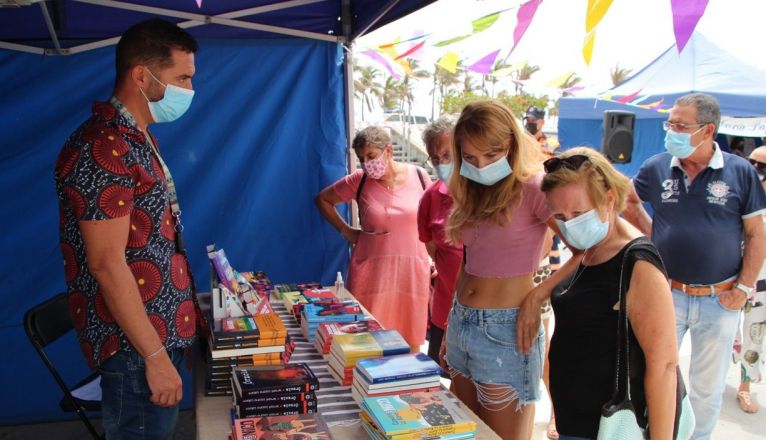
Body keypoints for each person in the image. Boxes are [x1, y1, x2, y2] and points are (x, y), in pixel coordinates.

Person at [53, 19, 200, 439]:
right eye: (182, 78)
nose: (189, 90)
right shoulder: (104, 147)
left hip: (153, 335)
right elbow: (105, 263)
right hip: (136, 348)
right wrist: (154, 356)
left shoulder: (136, 138)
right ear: (142, 75)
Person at [623, 92, 766, 439]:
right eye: (669, 123)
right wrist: (652, 232)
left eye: (680, 125)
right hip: (665, 293)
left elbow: (756, 234)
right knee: (653, 373)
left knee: (706, 388)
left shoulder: (740, 171)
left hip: (721, 298)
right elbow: (627, 199)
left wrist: (743, 289)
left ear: (708, 130)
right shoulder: (657, 166)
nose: (671, 130)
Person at [440, 100, 578, 439]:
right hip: (462, 322)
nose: (480, 164)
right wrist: (448, 327)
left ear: (511, 146)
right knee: (467, 433)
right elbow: (468, 261)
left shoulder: (533, 187)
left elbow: (585, 252)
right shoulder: (469, 189)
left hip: (506, 330)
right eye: (470, 157)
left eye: (490, 154)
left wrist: (539, 296)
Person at [531, 148, 680, 439]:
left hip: (611, 427)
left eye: (578, 213)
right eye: (560, 216)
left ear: (609, 199)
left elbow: (664, 367)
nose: (569, 224)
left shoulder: (637, 263)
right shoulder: (590, 248)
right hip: (573, 420)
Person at [315, 126, 432, 352]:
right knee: (365, 341)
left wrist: (434, 256)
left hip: (411, 272)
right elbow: (322, 200)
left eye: (371, 156)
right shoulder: (359, 180)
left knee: (411, 343)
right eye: (361, 158)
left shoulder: (419, 176)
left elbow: (433, 219)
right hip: (372, 273)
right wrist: (346, 230)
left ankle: (409, 387)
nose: (367, 163)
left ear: (388, 151)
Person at [524, 104, 560, 439]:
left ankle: (555, 412)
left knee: (543, 345)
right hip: (520, 266)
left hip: (542, 266)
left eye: (534, 120)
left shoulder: (550, 153)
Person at [417, 117, 462, 365]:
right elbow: (433, 249)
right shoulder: (430, 198)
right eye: (435, 158)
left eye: (447, 155)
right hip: (446, 311)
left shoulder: (487, 194)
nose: (442, 163)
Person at [732, 146, 766, 413]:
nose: (756, 171)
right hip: (729, 274)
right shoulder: (739, 191)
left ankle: (745, 387)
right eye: (752, 163)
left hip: (762, 281)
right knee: (723, 332)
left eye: (762, 167)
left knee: (754, 334)